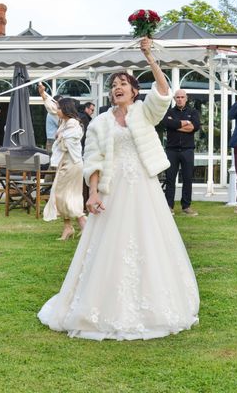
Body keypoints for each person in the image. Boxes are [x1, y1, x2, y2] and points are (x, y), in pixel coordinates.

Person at [37, 38, 199, 341]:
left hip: (144, 188)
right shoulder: (100, 122)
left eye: (123, 83)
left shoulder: (144, 113)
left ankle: (155, 303)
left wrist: (149, 57)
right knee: (109, 245)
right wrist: (93, 193)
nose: (117, 87)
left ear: (134, 91)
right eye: (113, 84)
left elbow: (163, 92)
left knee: (149, 240)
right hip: (113, 188)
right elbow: (93, 160)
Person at [38, 83, 87, 240]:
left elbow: (68, 143)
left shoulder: (73, 124)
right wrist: (43, 94)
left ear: (65, 110)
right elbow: (52, 108)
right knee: (60, 195)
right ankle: (68, 227)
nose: (56, 110)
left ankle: (83, 225)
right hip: (65, 164)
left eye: (59, 108)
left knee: (67, 195)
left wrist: (60, 138)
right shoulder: (64, 121)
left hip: (72, 164)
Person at [160, 89, 200, 216]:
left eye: (182, 97)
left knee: (187, 179)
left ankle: (186, 206)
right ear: (174, 99)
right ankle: (169, 207)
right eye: (177, 97)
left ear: (186, 98)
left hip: (188, 150)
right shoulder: (169, 112)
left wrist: (175, 125)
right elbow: (166, 123)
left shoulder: (193, 112)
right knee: (170, 179)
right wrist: (184, 124)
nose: (180, 99)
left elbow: (195, 127)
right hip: (172, 150)